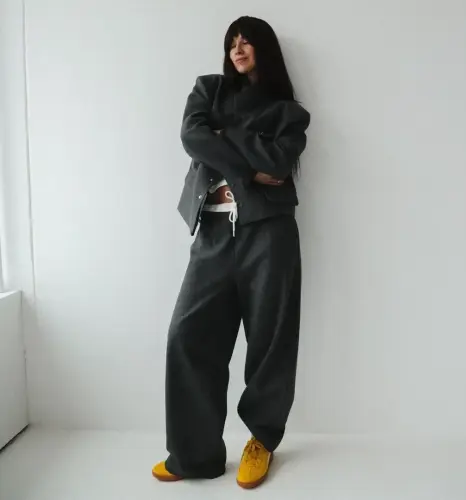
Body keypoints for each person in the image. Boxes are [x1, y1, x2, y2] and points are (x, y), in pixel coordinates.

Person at [152, 15, 310, 489]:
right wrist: (248, 165)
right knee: (187, 335)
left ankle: (261, 439)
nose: (237, 49)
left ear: (265, 48)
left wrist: (223, 140)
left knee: (270, 341)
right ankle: (193, 454)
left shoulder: (289, 113)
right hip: (214, 232)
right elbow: (192, 137)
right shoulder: (209, 90)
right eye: (231, 42)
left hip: (270, 234)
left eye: (247, 41)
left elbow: (278, 161)